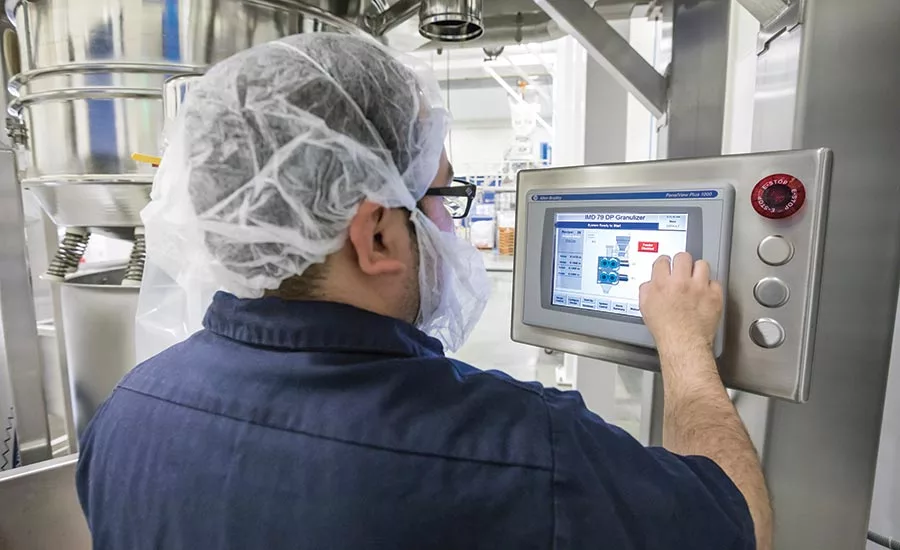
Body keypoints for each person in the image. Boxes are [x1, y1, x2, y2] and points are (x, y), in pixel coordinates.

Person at [76, 33, 771, 550]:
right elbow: (741, 524)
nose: (451, 224)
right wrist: (684, 345)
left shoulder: (124, 416)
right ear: (375, 234)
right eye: (443, 195)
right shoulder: (524, 451)